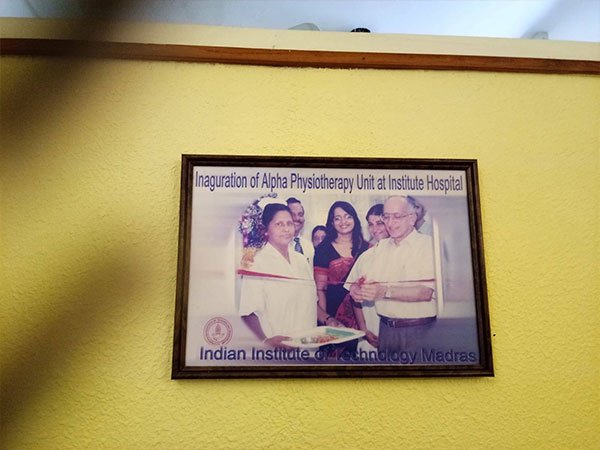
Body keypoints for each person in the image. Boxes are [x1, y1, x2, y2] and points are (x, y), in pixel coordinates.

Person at [345, 196, 436, 355]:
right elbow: (361, 281)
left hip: (418, 330)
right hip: (386, 331)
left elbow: (426, 292)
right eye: (386, 217)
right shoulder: (379, 248)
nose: (390, 222)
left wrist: (385, 292)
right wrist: (356, 289)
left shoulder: (428, 245)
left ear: (412, 218)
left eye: (397, 216)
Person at [239, 203, 337, 348]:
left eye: (289, 223)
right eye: (279, 224)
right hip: (278, 349)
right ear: (266, 229)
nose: (286, 229)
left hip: (308, 347)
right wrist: (264, 341)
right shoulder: (257, 262)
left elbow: (310, 302)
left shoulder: (301, 260)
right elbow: (248, 312)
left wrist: (328, 320)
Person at [314, 201, 369, 328]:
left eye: (348, 216)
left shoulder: (367, 248)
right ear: (332, 223)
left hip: (365, 311)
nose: (343, 222)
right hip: (334, 313)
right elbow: (321, 289)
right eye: (337, 218)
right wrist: (325, 320)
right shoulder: (324, 249)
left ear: (355, 219)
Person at [352, 203, 390, 350]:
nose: (375, 229)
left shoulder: (403, 254)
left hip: (396, 331)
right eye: (370, 224)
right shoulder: (365, 257)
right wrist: (364, 330)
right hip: (369, 332)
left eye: (379, 223)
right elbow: (354, 297)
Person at [286, 197, 314, 265]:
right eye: (292, 215)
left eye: (300, 214)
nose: (297, 218)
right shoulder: (279, 246)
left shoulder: (308, 246)